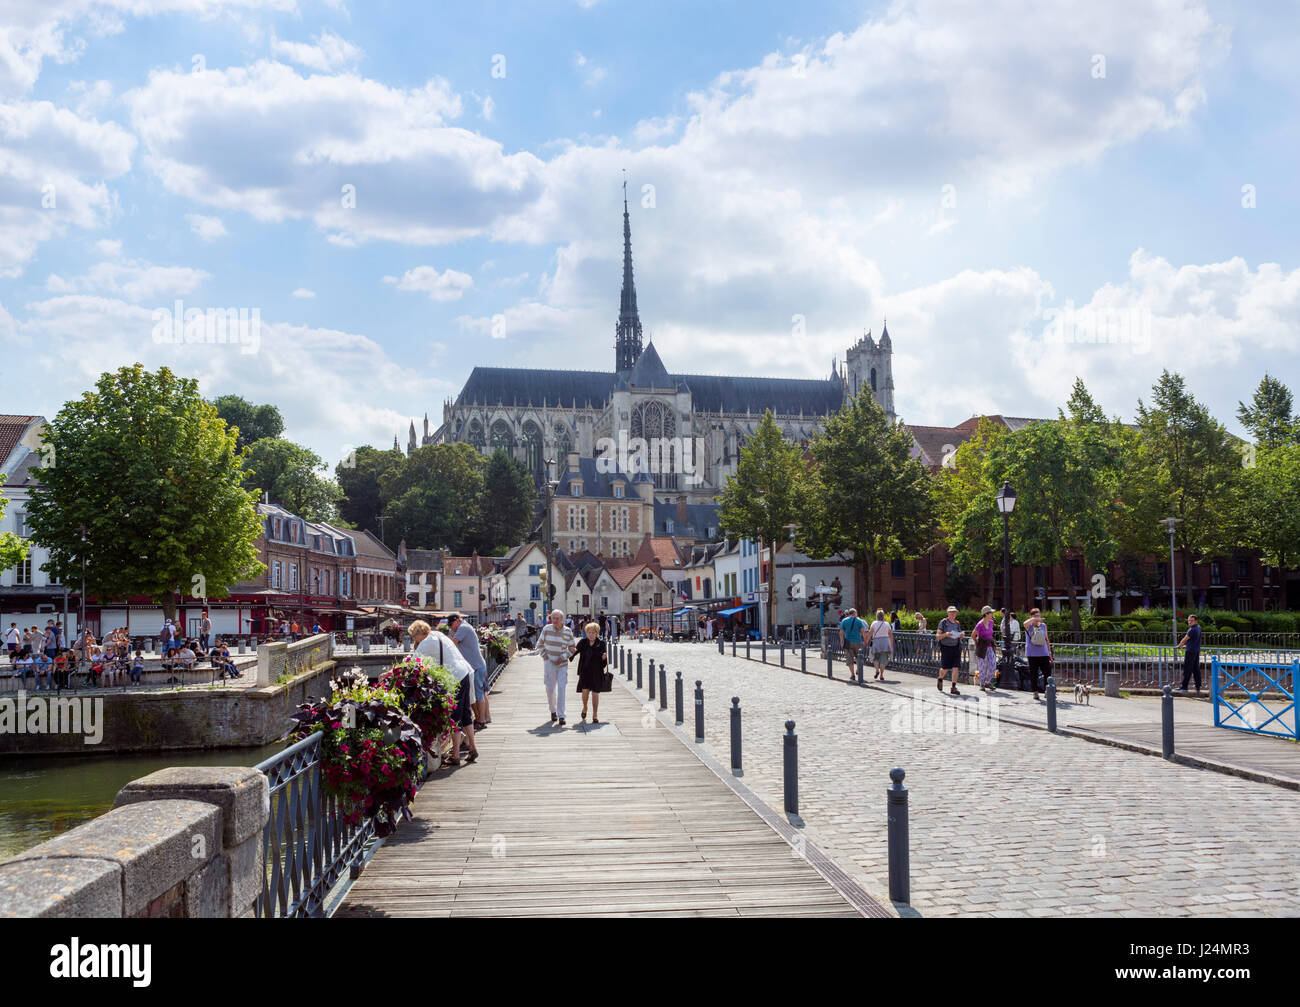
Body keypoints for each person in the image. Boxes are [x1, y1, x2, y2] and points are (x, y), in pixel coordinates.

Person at [409, 619, 479, 765]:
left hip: (455, 679)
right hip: (464, 674)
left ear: (418, 633)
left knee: (455, 716)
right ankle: (472, 747)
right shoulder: (439, 635)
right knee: (465, 712)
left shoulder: (427, 642)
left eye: (414, 636)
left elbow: (412, 663)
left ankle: (455, 755)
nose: (414, 640)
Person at [448, 612, 491, 730]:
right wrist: (452, 633)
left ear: (457, 621)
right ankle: (485, 717)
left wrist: (451, 635)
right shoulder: (464, 627)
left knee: (477, 695)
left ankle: (481, 721)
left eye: (451, 624)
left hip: (476, 666)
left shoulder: (463, 628)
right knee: (481, 693)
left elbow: (451, 644)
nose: (450, 627)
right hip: (477, 665)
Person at [538, 608, 576, 726]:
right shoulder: (546, 629)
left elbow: (572, 648)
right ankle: (553, 710)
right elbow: (539, 645)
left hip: (562, 664)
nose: (554, 620)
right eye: (553, 618)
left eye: (557, 618)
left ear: (562, 619)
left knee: (561, 688)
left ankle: (561, 715)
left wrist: (564, 657)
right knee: (550, 689)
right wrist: (546, 657)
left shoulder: (568, 631)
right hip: (549, 663)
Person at [573, 621, 608, 722]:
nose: (591, 634)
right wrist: (570, 652)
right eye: (589, 632)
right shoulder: (583, 642)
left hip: (597, 672)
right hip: (585, 671)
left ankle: (595, 714)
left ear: (597, 633)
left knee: (595, 693)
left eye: (593, 632)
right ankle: (585, 707)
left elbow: (604, 661)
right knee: (585, 693)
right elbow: (575, 651)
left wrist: (603, 658)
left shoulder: (601, 644)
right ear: (586, 633)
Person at [1023, 608, 1052, 700]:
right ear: (1031, 617)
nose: (1037, 618)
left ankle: (1048, 691)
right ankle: (1035, 692)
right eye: (1035, 616)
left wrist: (1049, 652)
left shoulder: (1043, 625)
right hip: (1032, 654)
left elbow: (1046, 639)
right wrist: (1034, 619)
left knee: (1047, 673)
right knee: (1034, 674)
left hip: (1044, 653)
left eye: (1038, 615)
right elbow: (1024, 623)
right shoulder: (1029, 626)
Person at [935, 605, 963, 695]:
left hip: (956, 647)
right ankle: (940, 678)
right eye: (951, 612)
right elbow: (937, 636)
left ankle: (953, 687)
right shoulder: (943, 622)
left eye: (954, 612)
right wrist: (945, 634)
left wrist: (960, 635)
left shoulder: (957, 623)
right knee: (945, 668)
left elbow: (958, 635)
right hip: (946, 647)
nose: (953, 614)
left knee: (956, 667)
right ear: (948, 613)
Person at [972, 606, 999, 692]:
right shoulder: (979, 624)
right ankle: (982, 684)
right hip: (982, 647)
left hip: (990, 646)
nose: (992, 614)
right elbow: (973, 635)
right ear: (986, 614)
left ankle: (987, 682)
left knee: (993, 664)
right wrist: (977, 642)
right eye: (991, 613)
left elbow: (990, 634)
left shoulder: (991, 622)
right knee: (982, 666)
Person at [1176, 614, 1203, 694]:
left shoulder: (1192, 629)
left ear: (1195, 621)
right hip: (1196, 651)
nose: (1189, 622)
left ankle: (1184, 686)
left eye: (1191, 620)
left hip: (1190, 652)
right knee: (1196, 669)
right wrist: (1186, 646)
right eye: (1188, 620)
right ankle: (1198, 685)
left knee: (1187, 669)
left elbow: (1185, 639)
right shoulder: (1199, 628)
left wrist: (1179, 646)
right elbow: (1194, 640)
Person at [866, 608, 894, 681]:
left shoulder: (874, 623)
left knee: (875, 658)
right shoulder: (887, 624)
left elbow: (870, 633)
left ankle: (877, 670)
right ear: (883, 616)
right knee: (884, 659)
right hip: (885, 642)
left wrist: (866, 641)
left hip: (876, 642)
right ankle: (881, 674)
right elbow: (891, 635)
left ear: (877, 616)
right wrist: (891, 645)